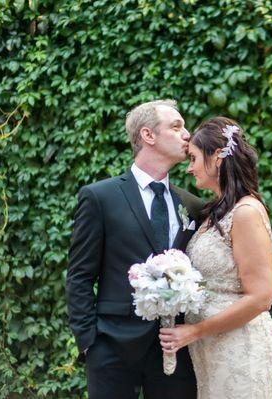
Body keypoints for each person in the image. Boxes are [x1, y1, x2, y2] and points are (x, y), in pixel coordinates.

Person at [66, 99, 204, 399]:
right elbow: (79, 275)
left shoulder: (192, 205)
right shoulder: (99, 197)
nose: (187, 135)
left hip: (175, 349)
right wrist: (89, 342)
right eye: (176, 126)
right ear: (148, 135)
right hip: (111, 348)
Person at [159, 116, 272, 398]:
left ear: (216, 158)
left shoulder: (246, 212)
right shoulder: (215, 212)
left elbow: (262, 296)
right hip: (211, 353)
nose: (188, 168)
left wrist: (195, 331)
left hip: (240, 348)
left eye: (193, 158)